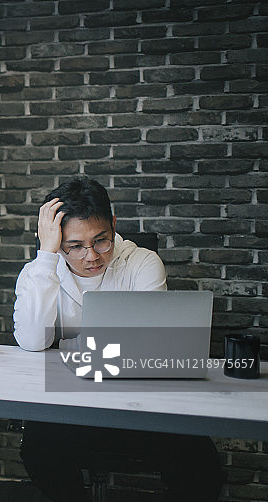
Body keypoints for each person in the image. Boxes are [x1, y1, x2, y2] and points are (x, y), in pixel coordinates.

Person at [12, 177, 224, 502]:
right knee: (37, 450)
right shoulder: (38, 272)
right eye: (75, 246)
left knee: (201, 461)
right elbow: (30, 341)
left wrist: (70, 345)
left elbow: (155, 345)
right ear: (57, 242)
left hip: (139, 407)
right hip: (71, 408)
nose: (91, 256)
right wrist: (46, 257)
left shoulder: (142, 264)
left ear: (113, 224)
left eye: (101, 241)